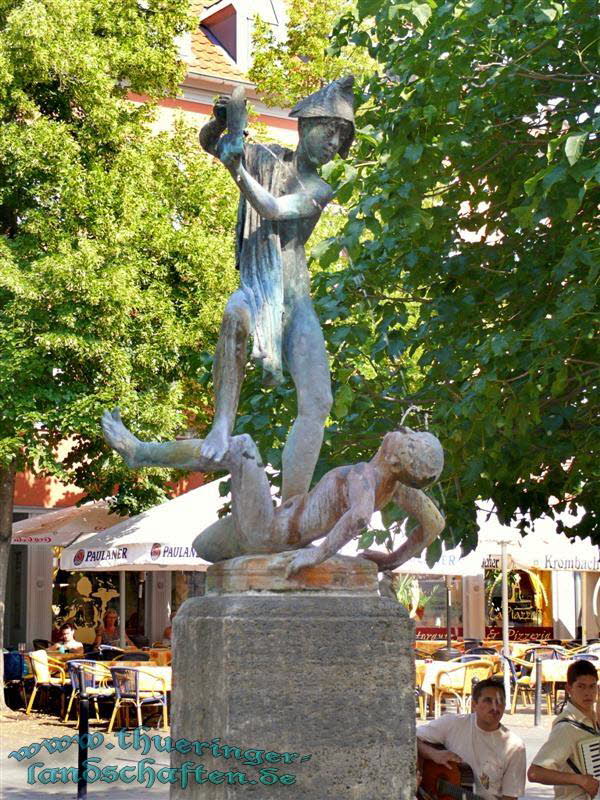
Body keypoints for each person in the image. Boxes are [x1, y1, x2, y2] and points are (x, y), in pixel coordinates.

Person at [198, 77, 355, 502]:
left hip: (296, 303)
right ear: (305, 126)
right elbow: (209, 143)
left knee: (318, 402)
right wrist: (223, 123)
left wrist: (237, 171)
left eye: (341, 137)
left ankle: (292, 506)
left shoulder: (320, 189)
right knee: (235, 313)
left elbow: (271, 207)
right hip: (259, 288)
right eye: (329, 130)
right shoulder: (266, 156)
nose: (333, 142)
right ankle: (221, 424)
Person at [102, 409, 444, 576]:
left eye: (410, 439)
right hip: (274, 527)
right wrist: (389, 561)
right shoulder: (396, 489)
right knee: (203, 546)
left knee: (241, 448)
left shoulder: (365, 477)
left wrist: (317, 554)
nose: (404, 431)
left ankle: (139, 452)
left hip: (268, 531)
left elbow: (359, 517)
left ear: (399, 458)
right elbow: (434, 525)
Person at [417, 678, 526, 800]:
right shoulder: (452, 723)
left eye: (500, 702)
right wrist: (433, 754)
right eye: (488, 701)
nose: (495, 708)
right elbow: (410, 739)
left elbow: (510, 797)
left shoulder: (514, 746)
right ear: (474, 705)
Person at [528, 659, 600, 800]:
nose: (588, 693)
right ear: (569, 689)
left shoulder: (594, 718)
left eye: (592, 687)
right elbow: (535, 773)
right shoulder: (566, 728)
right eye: (581, 686)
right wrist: (580, 780)